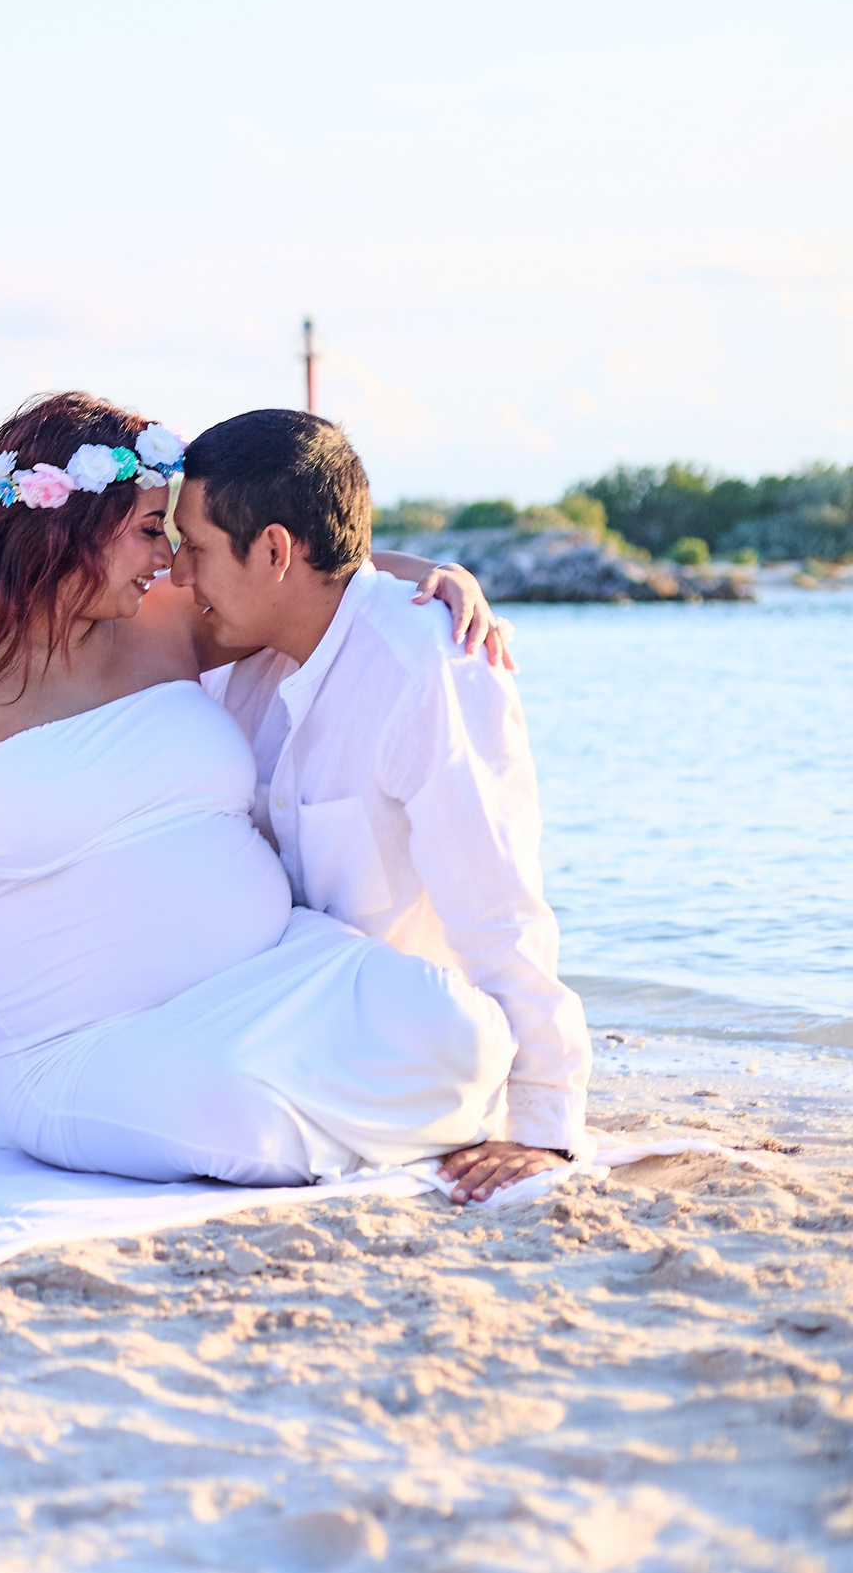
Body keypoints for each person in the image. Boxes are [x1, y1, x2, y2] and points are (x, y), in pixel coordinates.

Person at [0, 391, 523, 1190]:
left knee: (466, 1034)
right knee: (230, 1113)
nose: (168, 560)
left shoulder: (166, 623)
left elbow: (299, 579)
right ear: (69, 523)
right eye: (152, 531)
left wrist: (429, 574)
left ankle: (347, 1116)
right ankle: (354, 1121)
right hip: (85, 1044)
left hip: (279, 972)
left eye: (177, 535)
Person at [170, 409, 588, 1202]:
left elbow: (501, 907)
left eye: (193, 550)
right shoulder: (240, 664)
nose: (181, 577)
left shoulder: (430, 667)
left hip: (401, 1054)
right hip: (279, 1027)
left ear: (273, 550)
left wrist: (542, 1128)